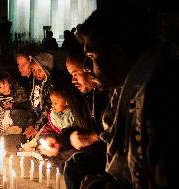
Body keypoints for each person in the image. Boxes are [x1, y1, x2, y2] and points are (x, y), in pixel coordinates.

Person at [76, 3, 178, 189]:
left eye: (91, 56)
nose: (85, 67)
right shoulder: (125, 89)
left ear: (117, 54)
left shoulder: (158, 95)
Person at [21, 52, 54, 143]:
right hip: (36, 115)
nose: (36, 73)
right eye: (33, 70)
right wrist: (31, 124)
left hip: (47, 117)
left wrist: (36, 127)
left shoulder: (50, 86)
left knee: (40, 139)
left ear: (46, 70)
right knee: (24, 136)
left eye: (40, 70)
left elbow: (47, 109)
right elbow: (31, 106)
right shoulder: (32, 84)